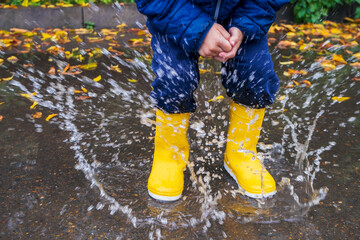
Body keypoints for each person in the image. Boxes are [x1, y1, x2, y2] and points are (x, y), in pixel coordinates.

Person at [135, 0, 289, 201]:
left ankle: (241, 153)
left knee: (256, 74)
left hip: (242, 13)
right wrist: (198, 29)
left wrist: (244, 25)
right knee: (175, 80)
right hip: (175, 14)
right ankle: (169, 156)